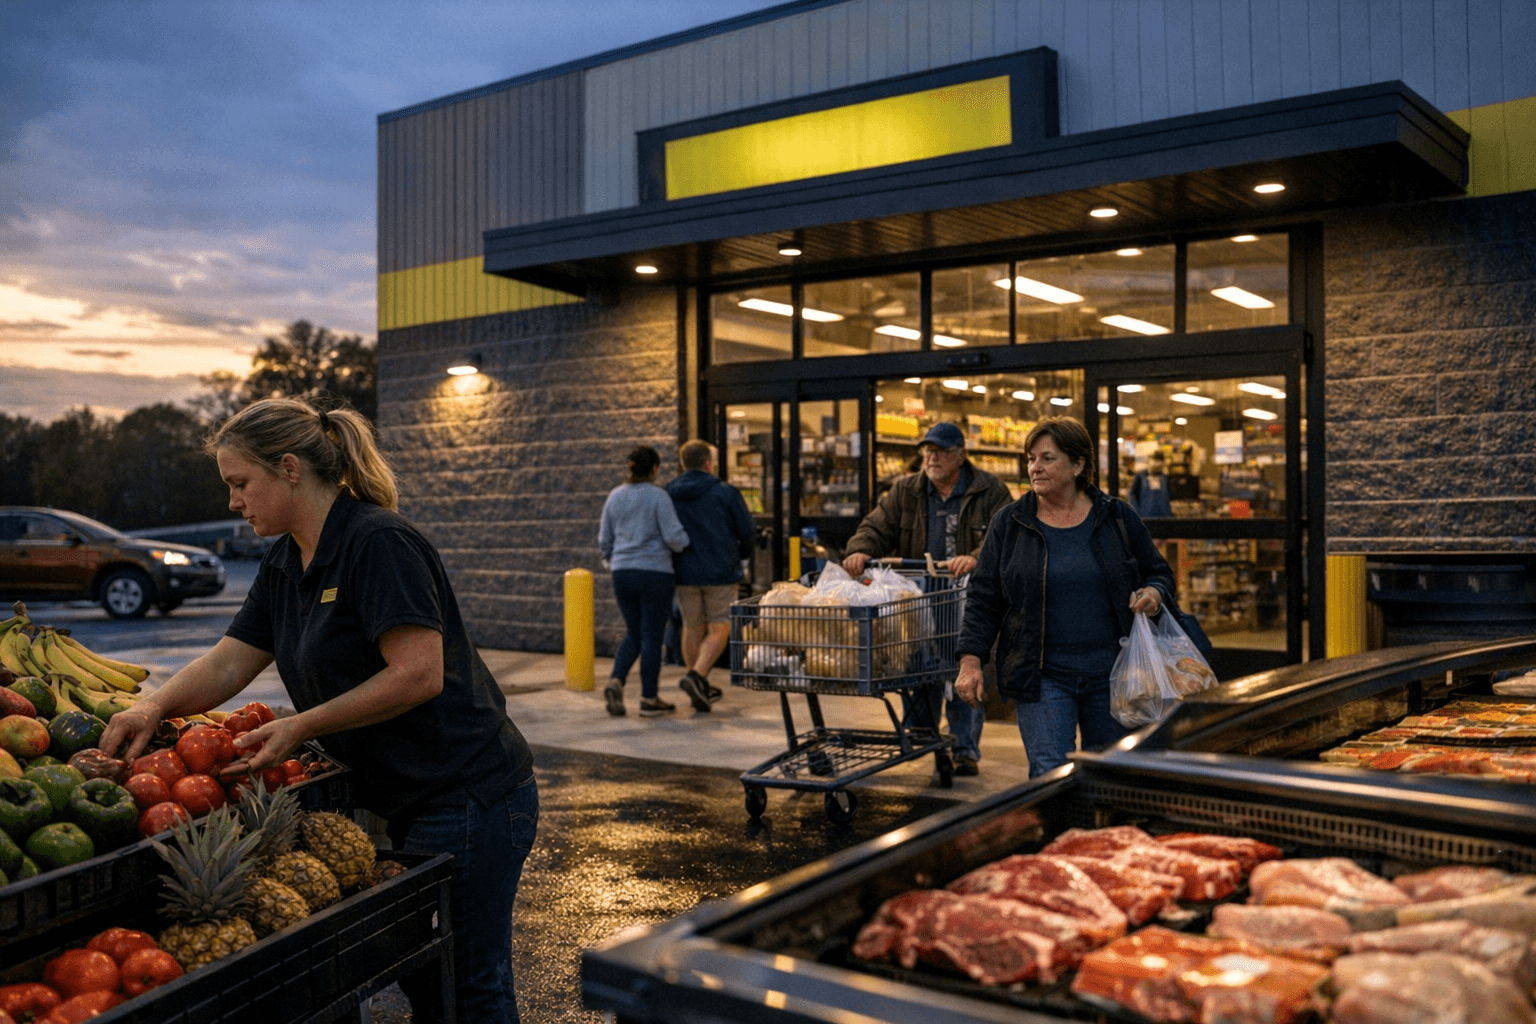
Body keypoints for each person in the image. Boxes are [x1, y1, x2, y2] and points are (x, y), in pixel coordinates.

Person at [98, 397, 538, 1024]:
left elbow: (418, 674)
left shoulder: (378, 542)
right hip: (394, 796)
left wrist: (302, 724)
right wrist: (155, 706)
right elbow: (229, 661)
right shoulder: (285, 559)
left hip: (468, 793)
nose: (232, 502)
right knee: (420, 973)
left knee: (468, 982)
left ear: (289, 468)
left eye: (240, 483)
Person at [953, 417, 1174, 777]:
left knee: (1110, 775)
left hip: (1114, 675)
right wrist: (970, 660)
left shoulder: (1114, 517)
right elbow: (984, 596)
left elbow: (1159, 572)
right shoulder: (1010, 523)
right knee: (1049, 775)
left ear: (1078, 465)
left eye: (1047, 458)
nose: (1034, 468)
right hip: (1042, 677)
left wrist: (1154, 591)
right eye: (1030, 459)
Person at [841, 421, 1013, 776]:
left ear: (961, 455)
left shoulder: (989, 489)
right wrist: (859, 550)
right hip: (918, 599)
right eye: (928, 451)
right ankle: (926, 737)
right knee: (919, 667)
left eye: (942, 452)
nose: (932, 458)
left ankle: (964, 748)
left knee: (963, 670)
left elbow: (1005, 534)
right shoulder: (906, 490)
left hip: (966, 598)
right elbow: (877, 526)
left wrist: (976, 557)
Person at [598, 446, 690, 717]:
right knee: (652, 635)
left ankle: (617, 679)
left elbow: (605, 539)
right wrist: (685, 542)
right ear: (654, 469)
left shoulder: (614, 496)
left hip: (622, 572)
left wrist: (612, 560)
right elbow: (675, 537)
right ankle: (649, 698)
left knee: (633, 632)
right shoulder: (658, 497)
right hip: (654, 573)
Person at [665, 439, 756, 713]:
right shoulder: (724, 492)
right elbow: (747, 531)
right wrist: (741, 555)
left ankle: (698, 682)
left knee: (692, 627)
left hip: (684, 571)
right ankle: (696, 677)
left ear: (683, 463)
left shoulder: (669, 492)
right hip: (720, 571)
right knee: (720, 627)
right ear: (709, 463)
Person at [1129, 449, 1175, 518]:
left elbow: (1168, 497)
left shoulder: (1165, 478)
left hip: (1164, 518)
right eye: (1155, 460)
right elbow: (1132, 496)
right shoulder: (1140, 477)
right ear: (1149, 460)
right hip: (1145, 518)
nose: (1158, 463)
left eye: (1160, 460)